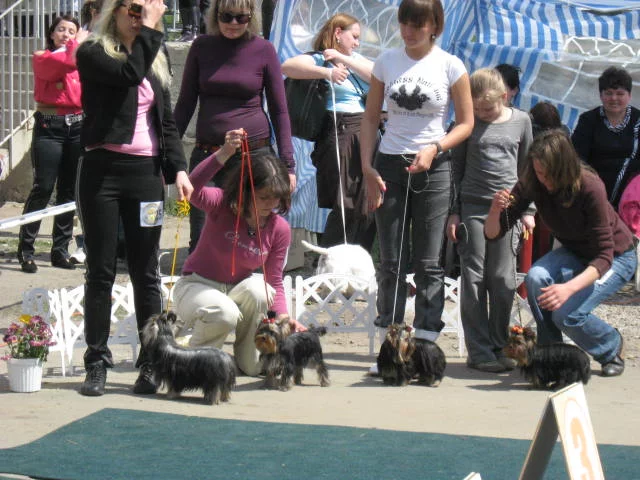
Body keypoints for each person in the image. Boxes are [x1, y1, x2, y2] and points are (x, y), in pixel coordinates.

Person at [75, 0, 193, 396]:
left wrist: (178, 169)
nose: (139, 15)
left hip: (145, 175)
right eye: (132, 8)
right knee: (101, 270)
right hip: (102, 171)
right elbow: (128, 74)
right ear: (115, 10)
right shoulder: (93, 51)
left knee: (146, 271)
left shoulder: (155, 55)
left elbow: (167, 120)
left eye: (146, 8)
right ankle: (96, 361)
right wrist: (153, 30)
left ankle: (151, 362)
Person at [359, 0, 474, 342]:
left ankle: (425, 342)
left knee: (428, 261)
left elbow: (466, 123)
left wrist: (435, 147)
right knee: (391, 259)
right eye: (404, 23)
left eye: (417, 24)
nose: (408, 31)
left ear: (434, 26)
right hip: (389, 163)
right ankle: (389, 341)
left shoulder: (451, 65)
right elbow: (370, 117)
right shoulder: (386, 61)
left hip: (434, 166)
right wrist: (366, 167)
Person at [485, 130, 637, 378]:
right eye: (538, 172)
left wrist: (567, 289)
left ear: (565, 168)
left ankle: (610, 346)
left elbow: (604, 257)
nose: (543, 180)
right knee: (535, 277)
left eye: (549, 174)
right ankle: (552, 355)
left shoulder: (590, 186)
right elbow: (494, 233)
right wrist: (495, 210)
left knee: (567, 315)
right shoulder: (532, 180)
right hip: (576, 252)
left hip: (617, 257)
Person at [172, 129, 305, 377]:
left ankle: (244, 358)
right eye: (263, 197)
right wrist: (224, 153)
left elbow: (274, 280)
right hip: (196, 285)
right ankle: (192, 361)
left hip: (236, 290)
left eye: (276, 198)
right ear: (245, 190)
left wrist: (284, 318)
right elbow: (192, 187)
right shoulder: (221, 204)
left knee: (261, 291)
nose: (271, 204)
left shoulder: (279, 229)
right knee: (224, 312)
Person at [173, 0, 295, 253]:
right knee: (201, 234)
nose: (233, 23)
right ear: (215, 15)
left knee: (251, 237)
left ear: (252, 18)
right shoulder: (201, 46)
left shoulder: (264, 49)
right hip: (209, 154)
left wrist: (288, 165)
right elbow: (184, 105)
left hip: (254, 155)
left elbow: (280, 110)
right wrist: (172, 160)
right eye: (226, 16)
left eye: (241, 18)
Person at [447, 67, 533, 373]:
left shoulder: (522, 121)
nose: (482, 114)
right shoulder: (466, 124)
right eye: (477, 108)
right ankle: (479, 350)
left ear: (505, 96)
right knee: (474, 279)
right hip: (473, 207)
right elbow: (455, 170)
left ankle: (499, 345)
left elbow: (527, 169)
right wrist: (454, 211)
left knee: (502, 279)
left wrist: (528, 211)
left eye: (488, 108)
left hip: (509, 209)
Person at [282, 13, 376, 250]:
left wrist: (344, 59)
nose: (357, 43)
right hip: (339, 128)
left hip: (366, 128)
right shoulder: (319, 58)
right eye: (354, 37)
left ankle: (358, 258)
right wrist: (327, 72)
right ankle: (332, 258)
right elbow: (288, 66)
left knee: (368, 201)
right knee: (346, 201)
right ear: (338, 33)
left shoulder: (356, 59)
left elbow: (378, 77)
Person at [17, 15, 89, 274]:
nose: (66, 34)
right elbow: (65, 62)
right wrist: (78, 43)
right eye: (61, 29)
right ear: (51, 33)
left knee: (68, 190)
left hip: (77, 125)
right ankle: (26, 249)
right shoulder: (43, 57)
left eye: (72, 31)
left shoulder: (79, 59)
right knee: (43, 187)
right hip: (50, 126)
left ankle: (60, 250)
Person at [571, 66, 640, 210]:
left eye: (620, 93)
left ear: (629, 95)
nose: (614, 98)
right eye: (608, 93)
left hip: (630, 197)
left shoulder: (638, 121)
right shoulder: (588, 120)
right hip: (593, 193)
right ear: (601, 95)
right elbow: (578, 158)